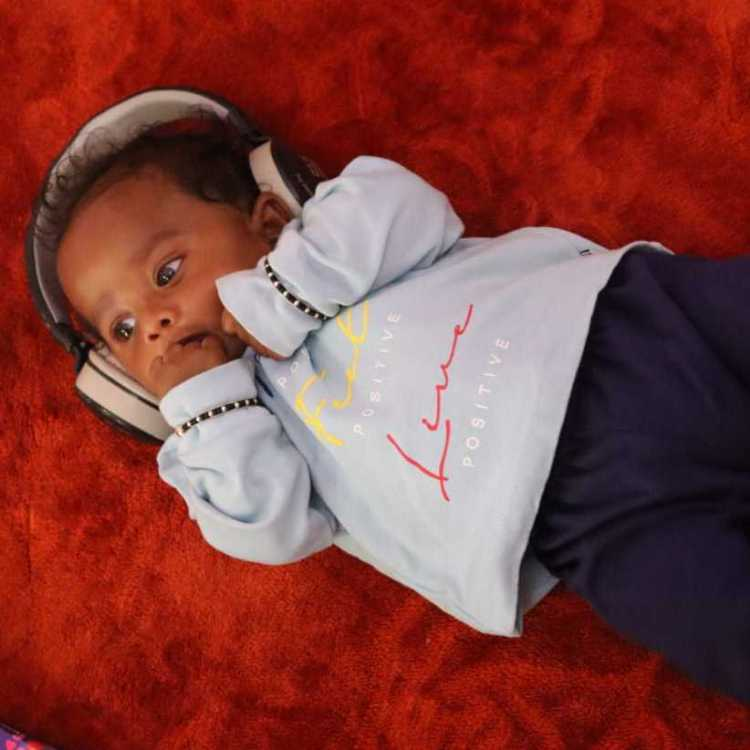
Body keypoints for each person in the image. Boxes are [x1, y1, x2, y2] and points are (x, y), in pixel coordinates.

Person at [45, 122, 749, 704]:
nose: (157, 323)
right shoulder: (231, 433)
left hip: (623, 327)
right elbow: (269, 527)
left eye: (166, 274)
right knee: (717, 617)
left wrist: (281, 295)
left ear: (268, 219)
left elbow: (405, 204)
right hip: (584, 510)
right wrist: (208, 405)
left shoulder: (325, 247)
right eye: (123, 330)